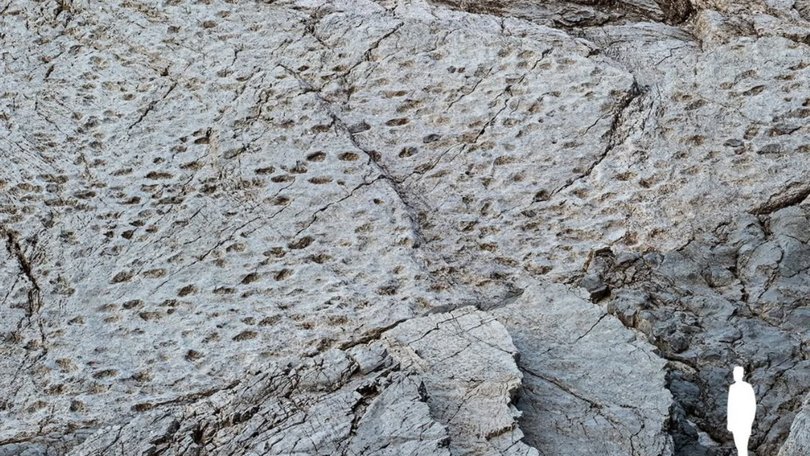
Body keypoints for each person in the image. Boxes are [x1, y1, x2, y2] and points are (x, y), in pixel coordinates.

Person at [727, 366, 757, 456]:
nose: (735, 375)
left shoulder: (747, 387)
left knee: (743, 445)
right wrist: (730, 423)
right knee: (739, 445)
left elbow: (752, 405)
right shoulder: (732, 387)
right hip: (736, 421)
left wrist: (749, 420)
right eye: (734, 373)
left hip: (744, 420)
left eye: (737, 373)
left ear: (742, 374)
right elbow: (730, 406)